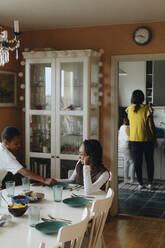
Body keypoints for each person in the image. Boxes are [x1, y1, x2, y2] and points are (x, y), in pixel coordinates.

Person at [126, 90, 156, 191]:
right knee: (149, 162)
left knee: (137, 163)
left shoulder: (129, 109)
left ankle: (140, 183)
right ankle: (150, 183)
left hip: (133, 140)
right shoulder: (147, 109)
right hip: (146, 140)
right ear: (142, 98)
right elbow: (151, 126)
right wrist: (154, 138)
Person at [118, 115, 135, 184]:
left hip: (122, 147)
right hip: (126, 147)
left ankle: (126, 179)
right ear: (124, 120)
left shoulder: (121, 127)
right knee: (132, 162)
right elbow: (127, 138)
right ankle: (132, 180)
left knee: (126, 162)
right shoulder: (126, 128)